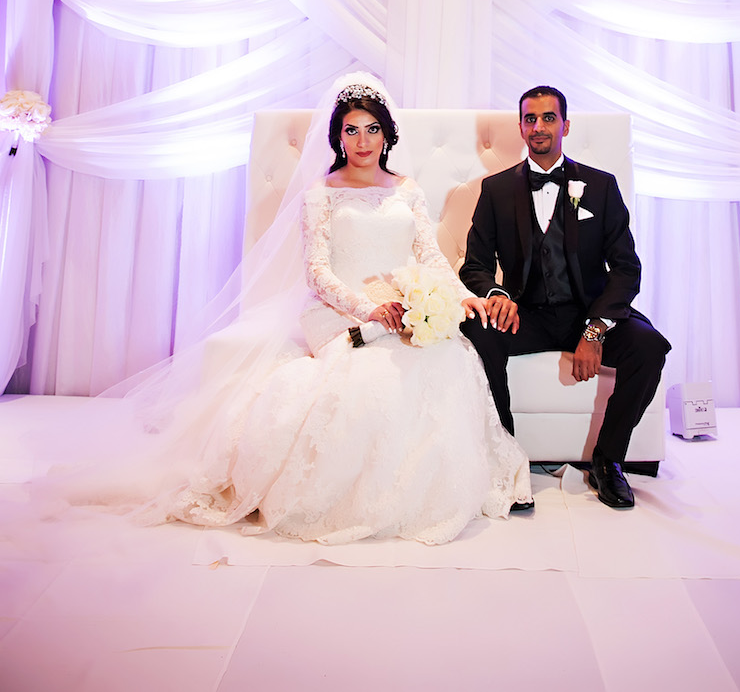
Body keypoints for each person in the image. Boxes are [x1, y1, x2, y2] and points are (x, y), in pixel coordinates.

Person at [113, 74, 532, 545]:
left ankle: (426, 488)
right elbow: (317, 273)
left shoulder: (407, 189)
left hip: (403, 304)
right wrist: (368, 310)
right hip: (340, 310)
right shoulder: (321, 194)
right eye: (351, 130)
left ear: (387, 134)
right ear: (336, 137)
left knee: (448, 357)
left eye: (372, 129)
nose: (363, 140)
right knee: (372, 373)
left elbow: (429, 256)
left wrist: (460, 296)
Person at [461, 85, 670, 510]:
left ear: (566, 125)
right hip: (527, 314)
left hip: (589, 313)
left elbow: (627, 269)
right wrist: (497, 294)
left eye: (548, 118)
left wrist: (596, 329)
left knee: (648, 348)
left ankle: (608, 461)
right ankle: (506, 459)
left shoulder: (601, 186)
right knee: (476, 332)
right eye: (530, 119)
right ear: (520, 127)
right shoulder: (496, 190)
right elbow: (475, 265)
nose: (539, 127)